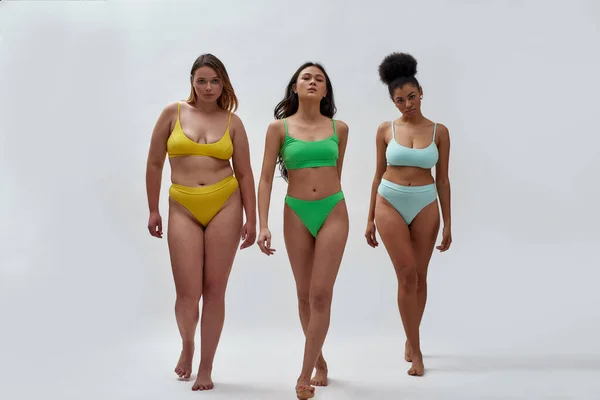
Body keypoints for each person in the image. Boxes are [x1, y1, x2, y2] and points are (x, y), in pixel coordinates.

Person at [145, 53, 257, 391]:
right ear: (192, 82)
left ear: (223, 83)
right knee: (186, 293)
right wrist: (153, 209)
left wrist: (252, 218)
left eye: (215, 80)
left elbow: (245, 172)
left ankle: (207, 367)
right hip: (182, 204)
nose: (208, 87)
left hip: (225, 202)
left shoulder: (233, 122)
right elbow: (153, 164)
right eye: (202, 80)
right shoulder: (172, 113)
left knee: (214, 291)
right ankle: (188, 345)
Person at [256, 62, 349, 400]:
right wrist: (263, 224)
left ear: (325, 91)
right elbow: (266, 177)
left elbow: (336, 173)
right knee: (303, 295)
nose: (312, 81)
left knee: (321, 294)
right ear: (295, 87)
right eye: (306, 77)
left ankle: (303, 375)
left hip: (333, 211)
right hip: (295, 211)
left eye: (319, 79)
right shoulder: (278, 129)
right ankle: (320, 359)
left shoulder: (340, 128)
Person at [365, 52, 452, 377]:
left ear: (421, 93)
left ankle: (409, 336)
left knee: (421, 276)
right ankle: (417, 352)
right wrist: (370, 217)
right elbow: (376, 174)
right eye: (399, 100)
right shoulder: (385, 130)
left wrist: (448, 222)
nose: (407, 104)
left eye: (411, 97)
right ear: (393, 101)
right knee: (406, 275)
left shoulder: (439, 131)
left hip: (426, 203)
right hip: (389, 202)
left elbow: (443, 178)